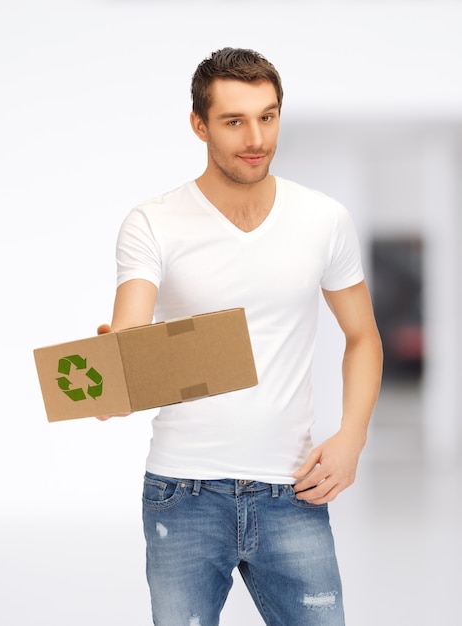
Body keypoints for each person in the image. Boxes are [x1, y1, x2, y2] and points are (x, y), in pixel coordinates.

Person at [97, 47, 383, 626]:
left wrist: (353, 435)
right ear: (199, 125)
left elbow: (363, 337)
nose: (256, 138)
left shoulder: (323, 219)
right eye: (234, 121)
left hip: (292, 493)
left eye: (268, 116)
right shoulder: (154, 222)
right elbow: (130, 328)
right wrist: (116, 370)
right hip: (184, 493)